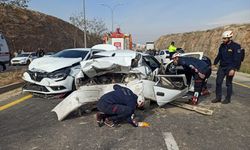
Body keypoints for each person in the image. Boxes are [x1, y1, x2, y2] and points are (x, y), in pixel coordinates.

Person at [212, 31, 242, 104]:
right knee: (218, 82)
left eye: (225, 38)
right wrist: (214, 64)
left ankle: (228, 99)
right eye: (223, 38)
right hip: (222, 67)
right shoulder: (222, 46)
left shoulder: (236, 46)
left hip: (230, 67)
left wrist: (233, 69)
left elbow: (237, 59)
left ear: (229, 38)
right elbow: (219, 56)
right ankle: (218, 97)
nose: (223, 40)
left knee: (228, 83)